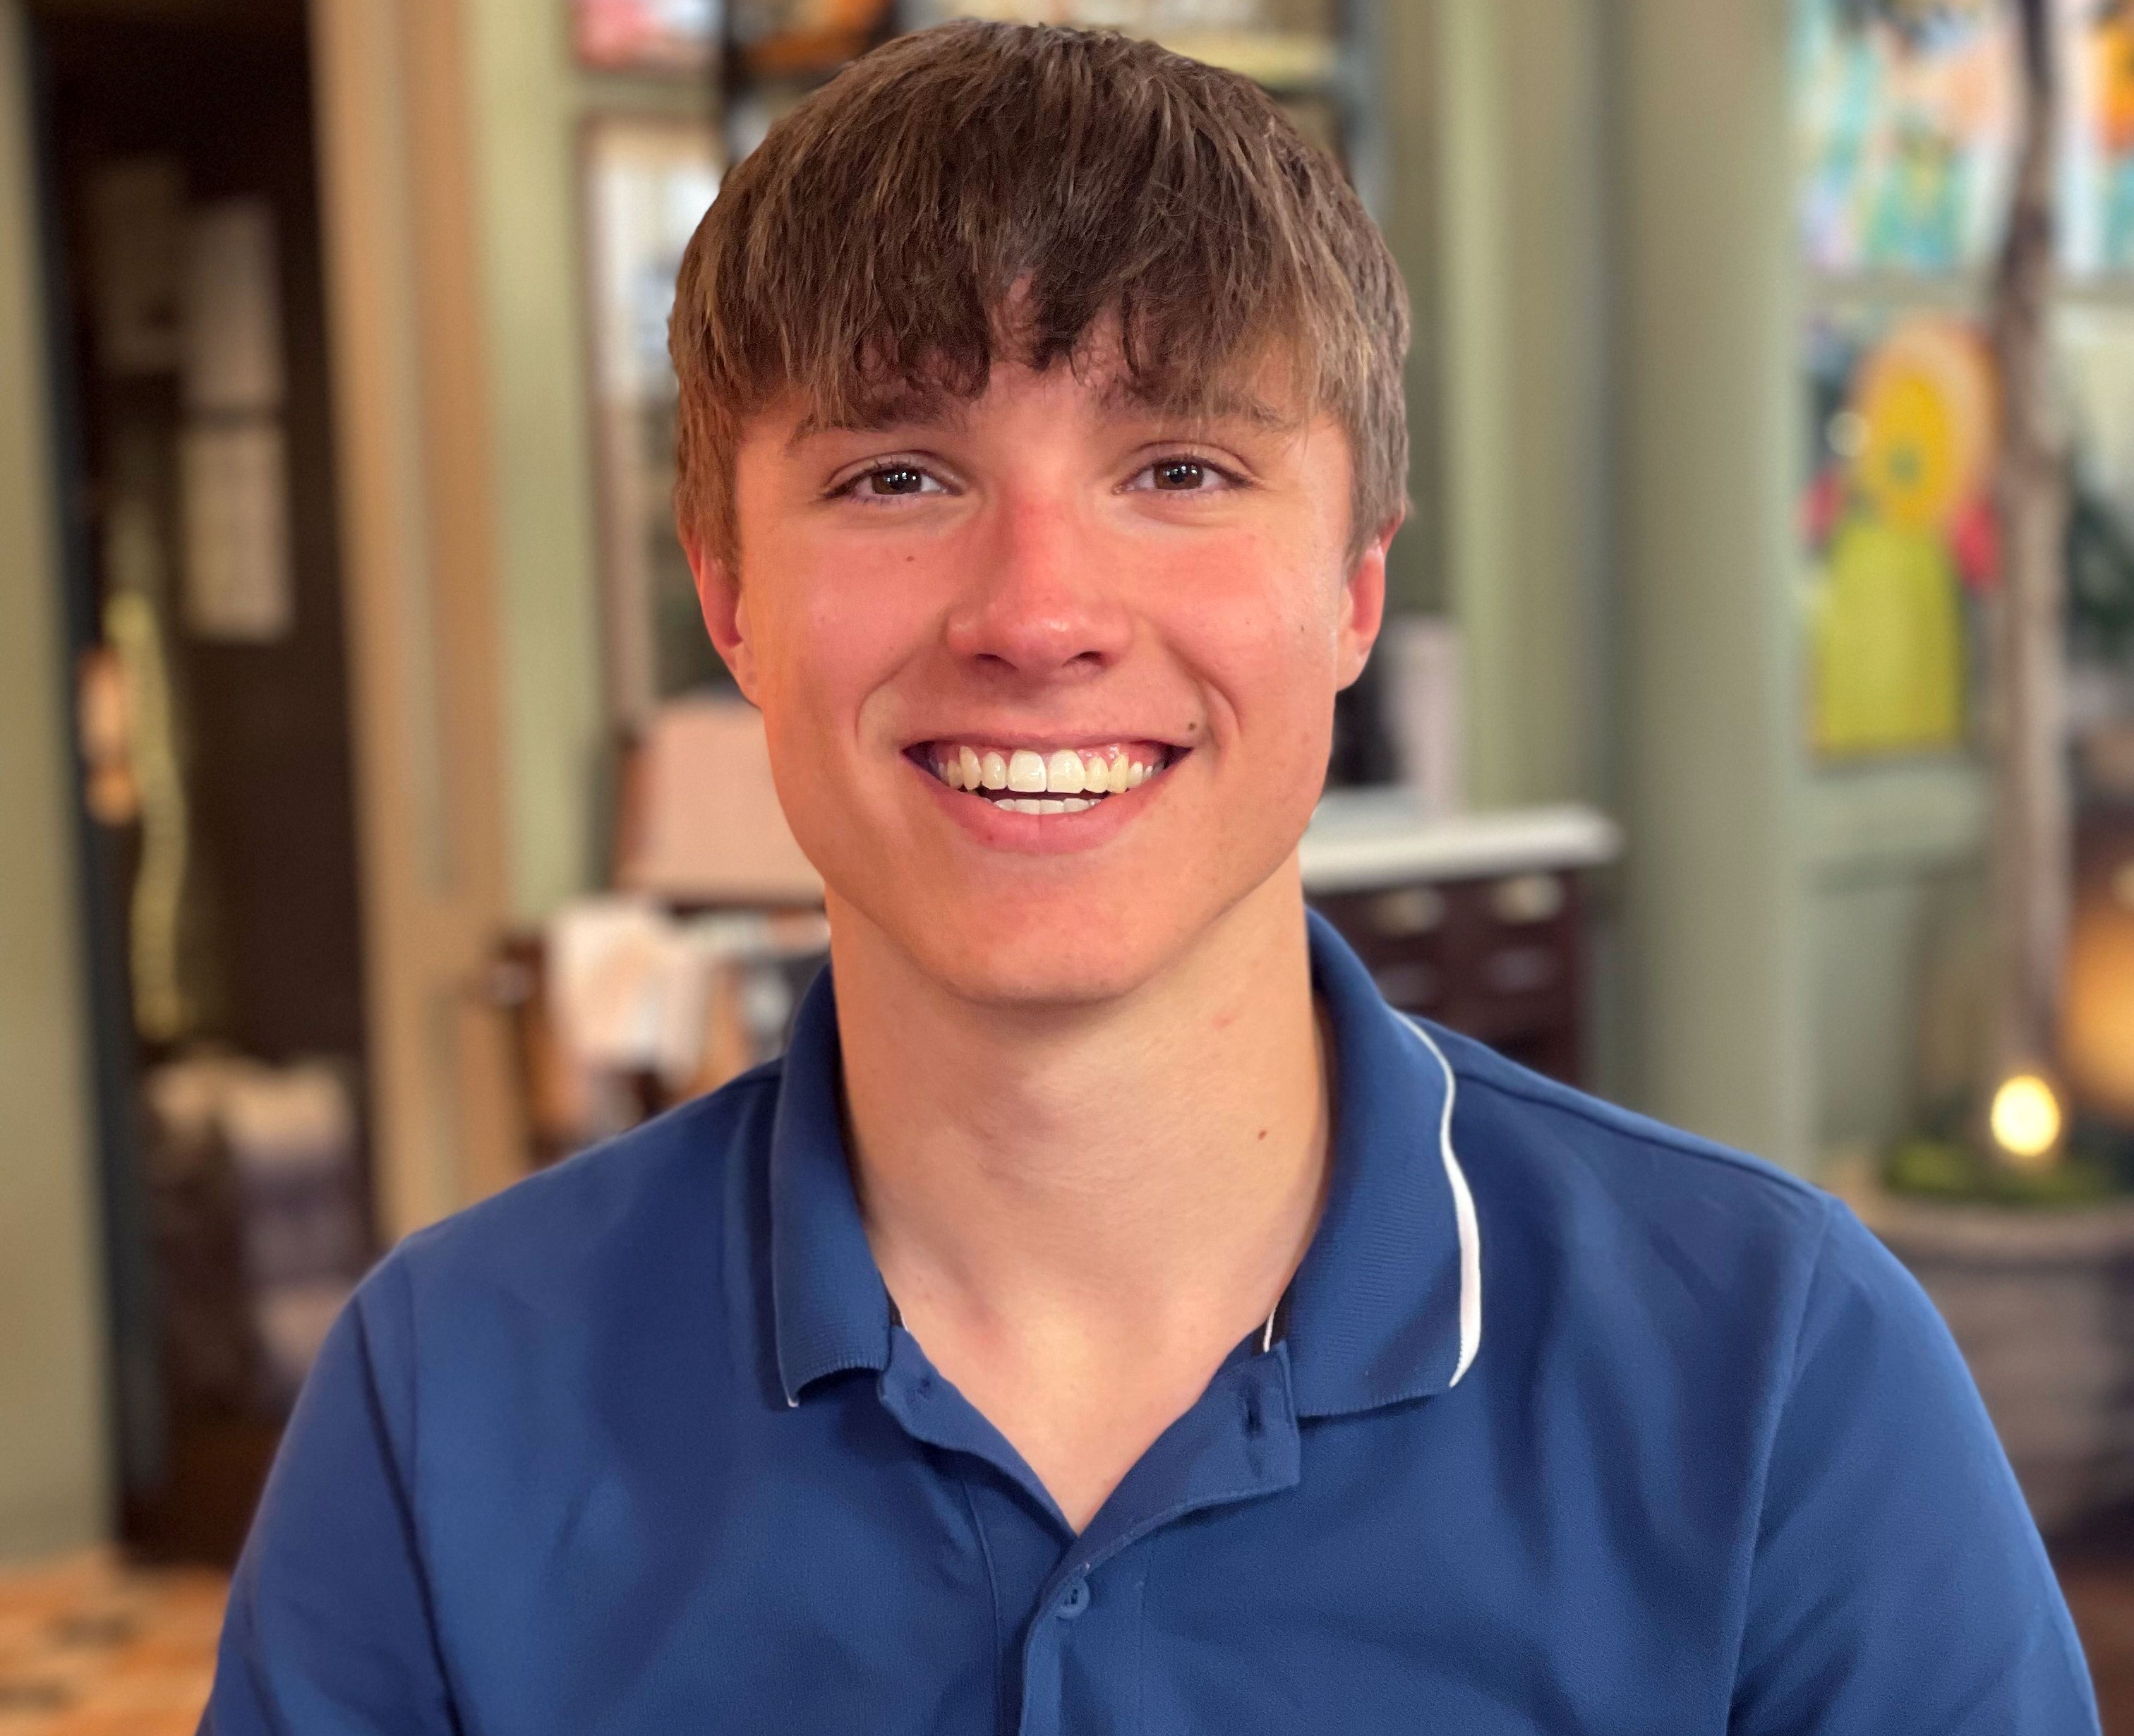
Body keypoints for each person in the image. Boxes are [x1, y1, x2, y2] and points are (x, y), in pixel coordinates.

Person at [201, 22, 2099, 1734]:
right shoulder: (447, 1408)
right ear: (729, 595)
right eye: (895, 477)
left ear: (1355, 587)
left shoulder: (1777, 1386)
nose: (1039, 614)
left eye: (1179, 466)